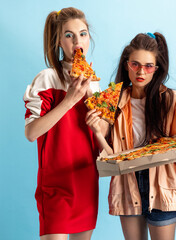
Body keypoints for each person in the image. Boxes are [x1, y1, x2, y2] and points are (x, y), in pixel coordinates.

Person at [86, 32, 176, 240]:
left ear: (157, 69)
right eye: (135, 64)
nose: (141, 71)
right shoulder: (113, 102)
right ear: (126, 65)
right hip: (127, 184)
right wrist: (98, 132)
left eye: (148, 66)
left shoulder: (173, 100)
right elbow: (111, 158)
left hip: (162, 184)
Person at [23, 7, 102, 240]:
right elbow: (31, 132)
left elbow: (100, 135)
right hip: (55, 184)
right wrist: (69, 100)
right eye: (69, 35)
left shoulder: (94, 83)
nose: (77, 41)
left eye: (83, 34)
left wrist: (100, 121)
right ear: (58, 40)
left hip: (86, 180)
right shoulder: (46, 78)